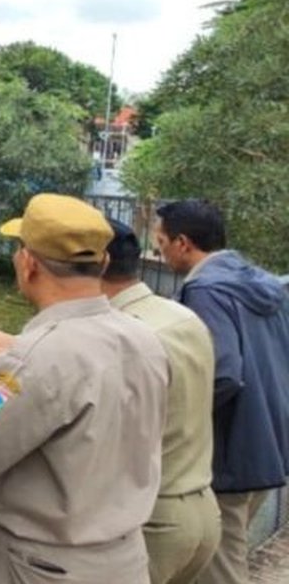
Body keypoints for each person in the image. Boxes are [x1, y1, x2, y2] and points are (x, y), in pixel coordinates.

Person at [0, 193, 169, 584]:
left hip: (43, 568)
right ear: (104, 262)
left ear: (28, 264)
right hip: (123, 559)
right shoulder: (143, 339)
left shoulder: (32, 362)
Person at [154, 199, 289, 584]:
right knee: (228, 554)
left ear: (183, 243)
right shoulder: (260, 282)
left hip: (231, 452)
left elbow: (222, 373)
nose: (161, 254)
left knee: (221, 568)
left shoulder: (206, 291)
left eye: (161, 243)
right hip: (270, 441)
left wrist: (177, 419)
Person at [105, 217, 221, 583]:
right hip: (201, 508)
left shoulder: (118, 336)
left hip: (150, 521)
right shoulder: (179, 316)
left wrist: (6, 369)